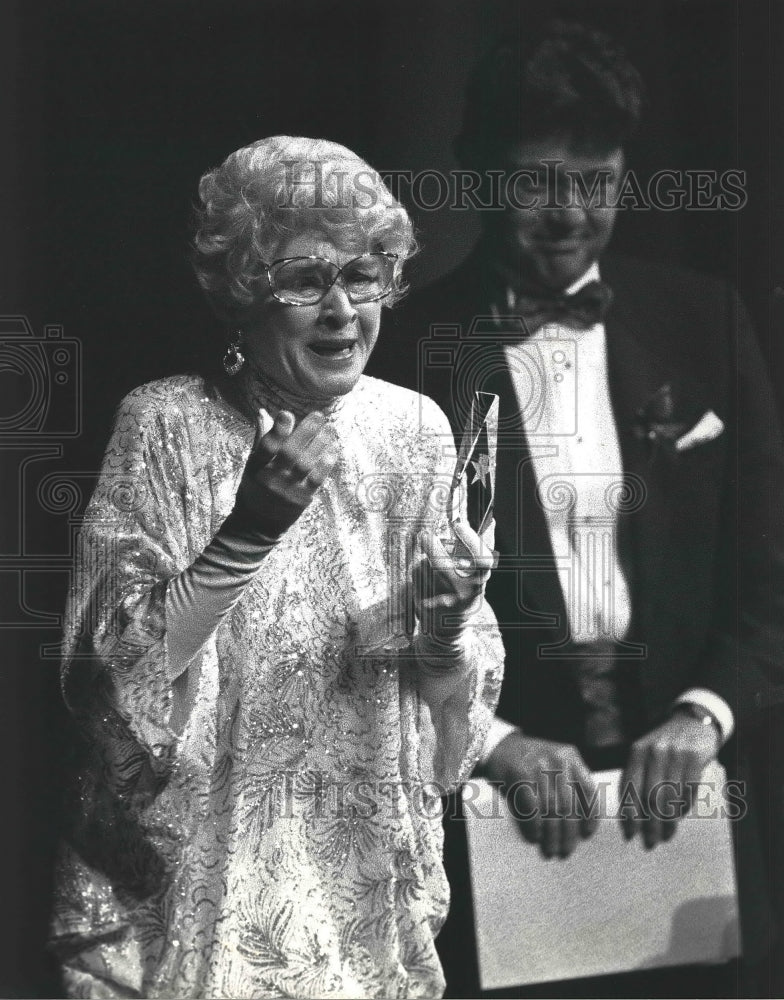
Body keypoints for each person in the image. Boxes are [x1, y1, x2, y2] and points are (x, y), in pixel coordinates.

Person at [368, 20, 784, 998]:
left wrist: (705, 711)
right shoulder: (400, 354)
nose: (568, 213)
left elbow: (772, 577)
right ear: (474, 172)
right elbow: (369, 616)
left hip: (694, 839)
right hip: (494, 840)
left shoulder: (707, 318)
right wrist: (496, 741)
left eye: (594, 181)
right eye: (535, 180)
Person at [49, 135, 505, 999]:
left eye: (363, 276)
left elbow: (450, 735)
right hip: (204, 904)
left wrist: (443, 627)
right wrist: (248, 532)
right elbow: (103, 684)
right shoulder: (166, 427)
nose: (341, 310)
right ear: (243, 293)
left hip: (364, 903)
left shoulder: (416, 433)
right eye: (304, 279)